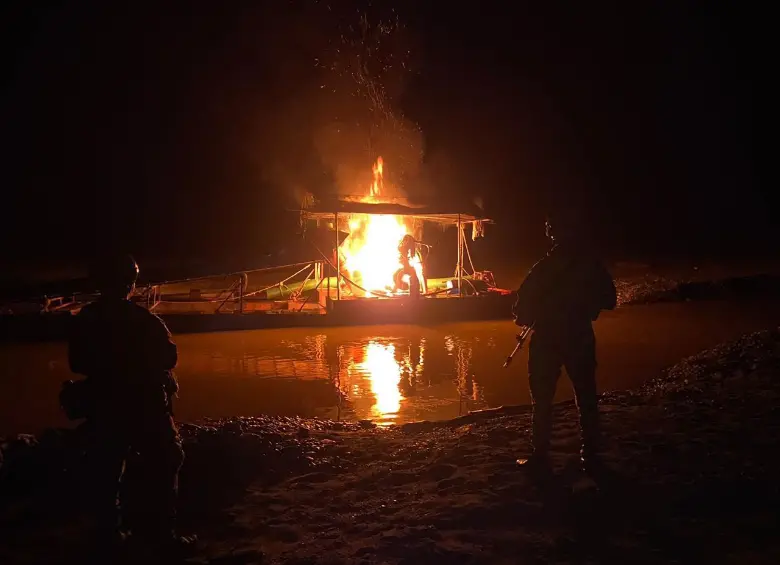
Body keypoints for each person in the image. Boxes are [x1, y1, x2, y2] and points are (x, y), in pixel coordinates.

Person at [66, 254, 196, 559]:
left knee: (105, 469)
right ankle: (161, 535)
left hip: (104, 405)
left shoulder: (86, 319)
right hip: (144, 406)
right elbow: (168, 359)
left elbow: (76, 363)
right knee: (165, 461)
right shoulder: (145, 321)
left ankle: (107, 536)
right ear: (131, 283)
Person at [512, 211, 616, 473]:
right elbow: (609, 299)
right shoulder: (591, 266)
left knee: (543, 398)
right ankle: (591, 452)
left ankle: (540, 453)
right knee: (585, 395)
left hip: (547, 340)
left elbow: (520, 310)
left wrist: (538, 314)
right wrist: (585, 306)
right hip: (579, 335)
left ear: (552, 234)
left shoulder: (542, 269)